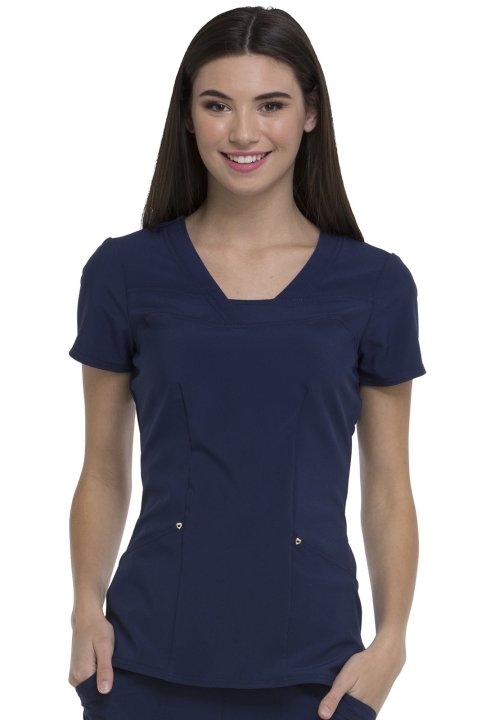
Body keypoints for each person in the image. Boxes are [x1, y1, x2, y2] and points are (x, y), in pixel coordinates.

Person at [67, 6, 427, 720]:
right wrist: (84, 609)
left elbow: (388, 486)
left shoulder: (375, 285)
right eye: (216, 105)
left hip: (319, 674)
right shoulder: (123, 273)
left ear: (310, 114)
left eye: (270, 105)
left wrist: (390, 644)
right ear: (187, 116)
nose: (242, 133)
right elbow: (103, 465)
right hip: (140, 664)